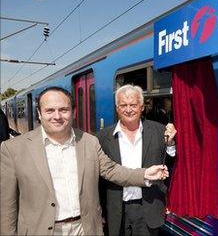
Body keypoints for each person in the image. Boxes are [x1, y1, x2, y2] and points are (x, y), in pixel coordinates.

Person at [0, 86, 169, 236]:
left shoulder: (89, 141)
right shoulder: (12, 149)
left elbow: (111, 170)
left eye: (63, 109)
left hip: (85, 228)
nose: (57, 116)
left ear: (73, 112)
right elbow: (7, 206)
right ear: (39, 113)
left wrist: (145, 174)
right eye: (50, 110)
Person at [97, 85, 176, 236]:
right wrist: (100, 209)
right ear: (117, 108)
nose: (128, 109)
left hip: (149, 207)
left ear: (142, 107)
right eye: (123, 105)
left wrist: (171, 144)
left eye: (133, 105)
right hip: (116, 209)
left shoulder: (160, 131)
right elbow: (99, 178)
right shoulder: (102, 137)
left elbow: (170, 167)